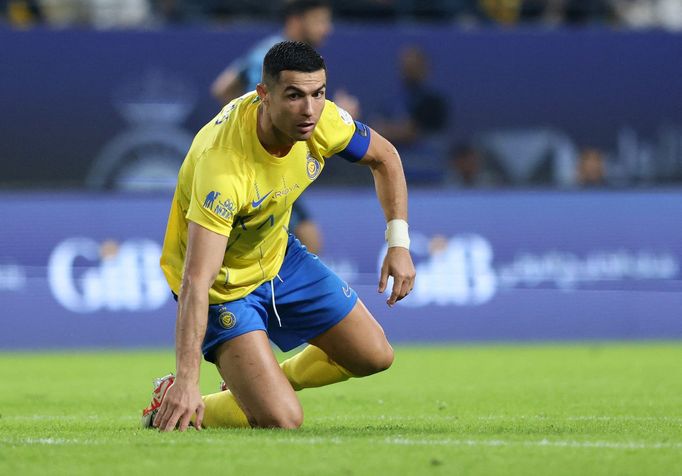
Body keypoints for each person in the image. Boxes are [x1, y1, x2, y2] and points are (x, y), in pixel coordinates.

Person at [141, 41, 416, 431]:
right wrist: (187, 379)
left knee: (375, 356)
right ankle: (176, 400)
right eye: (294, 96)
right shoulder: (223, 167)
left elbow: (385, 157)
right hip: (224, 284)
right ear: (263, 95)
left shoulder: (322, 121)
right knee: (283, 419)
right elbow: (196, 280)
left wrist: (398, 243)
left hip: (277, 255)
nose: (309, 110)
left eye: (318, 94)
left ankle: (259, 384)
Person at [211, 0, 342, 254]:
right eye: (320, 21)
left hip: (279, 170)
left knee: (309, 241)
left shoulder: (268, 51)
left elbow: (221, 87)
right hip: (259, 172)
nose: (327, 29)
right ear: (296, 21)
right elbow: (261, 112)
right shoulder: (273, 60)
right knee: (307, 242)